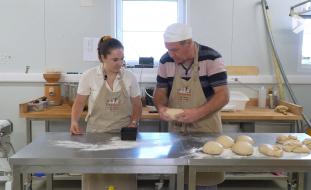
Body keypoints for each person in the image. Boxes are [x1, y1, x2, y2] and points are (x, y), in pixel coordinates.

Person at [154, 23, 229, 189]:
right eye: (168, 49)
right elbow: (160, 92)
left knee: (204, 182)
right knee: (178, 180)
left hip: (206, 131)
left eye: (175, 50)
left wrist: (198, 113)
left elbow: (223, 96)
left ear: (188, 43)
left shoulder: (211, 58)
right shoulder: (166, 61)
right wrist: (161, 107)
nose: (171, 54)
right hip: (177, 133)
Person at [70, 35, 142, 190]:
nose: (120, 63)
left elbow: (137, 104)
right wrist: (74, 121)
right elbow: (79, 102)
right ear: (103, 58)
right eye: (115, 60)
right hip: (96, 134)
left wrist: (134, 122)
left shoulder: (129, 77)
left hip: (123, 135)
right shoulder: (89, 76)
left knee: (123, 179)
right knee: (96, 178)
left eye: (122, 59)